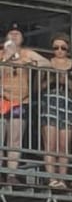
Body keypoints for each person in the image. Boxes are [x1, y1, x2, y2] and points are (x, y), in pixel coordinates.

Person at [1, 23, 49, 183]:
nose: (14, 36)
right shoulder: (1, 53)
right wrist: (6, 58)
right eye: (11, 33)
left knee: (15, 139)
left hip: (20, 101)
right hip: (2, 99)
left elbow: (47, 64)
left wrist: (29, 63)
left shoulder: (27, 53)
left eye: (17, 34)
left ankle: (11, 174)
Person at [42, 32, 72, 189]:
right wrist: (52, 80)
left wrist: (67, 82)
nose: (59, 51)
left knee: (64, 145)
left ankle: (62, 179)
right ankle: (51, 178)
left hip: (68, 103)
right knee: (50, 144)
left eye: (63, 48)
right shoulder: (47, 63)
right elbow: (36, 87)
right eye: (56, 48)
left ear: (68, 49)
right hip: (50, 102)